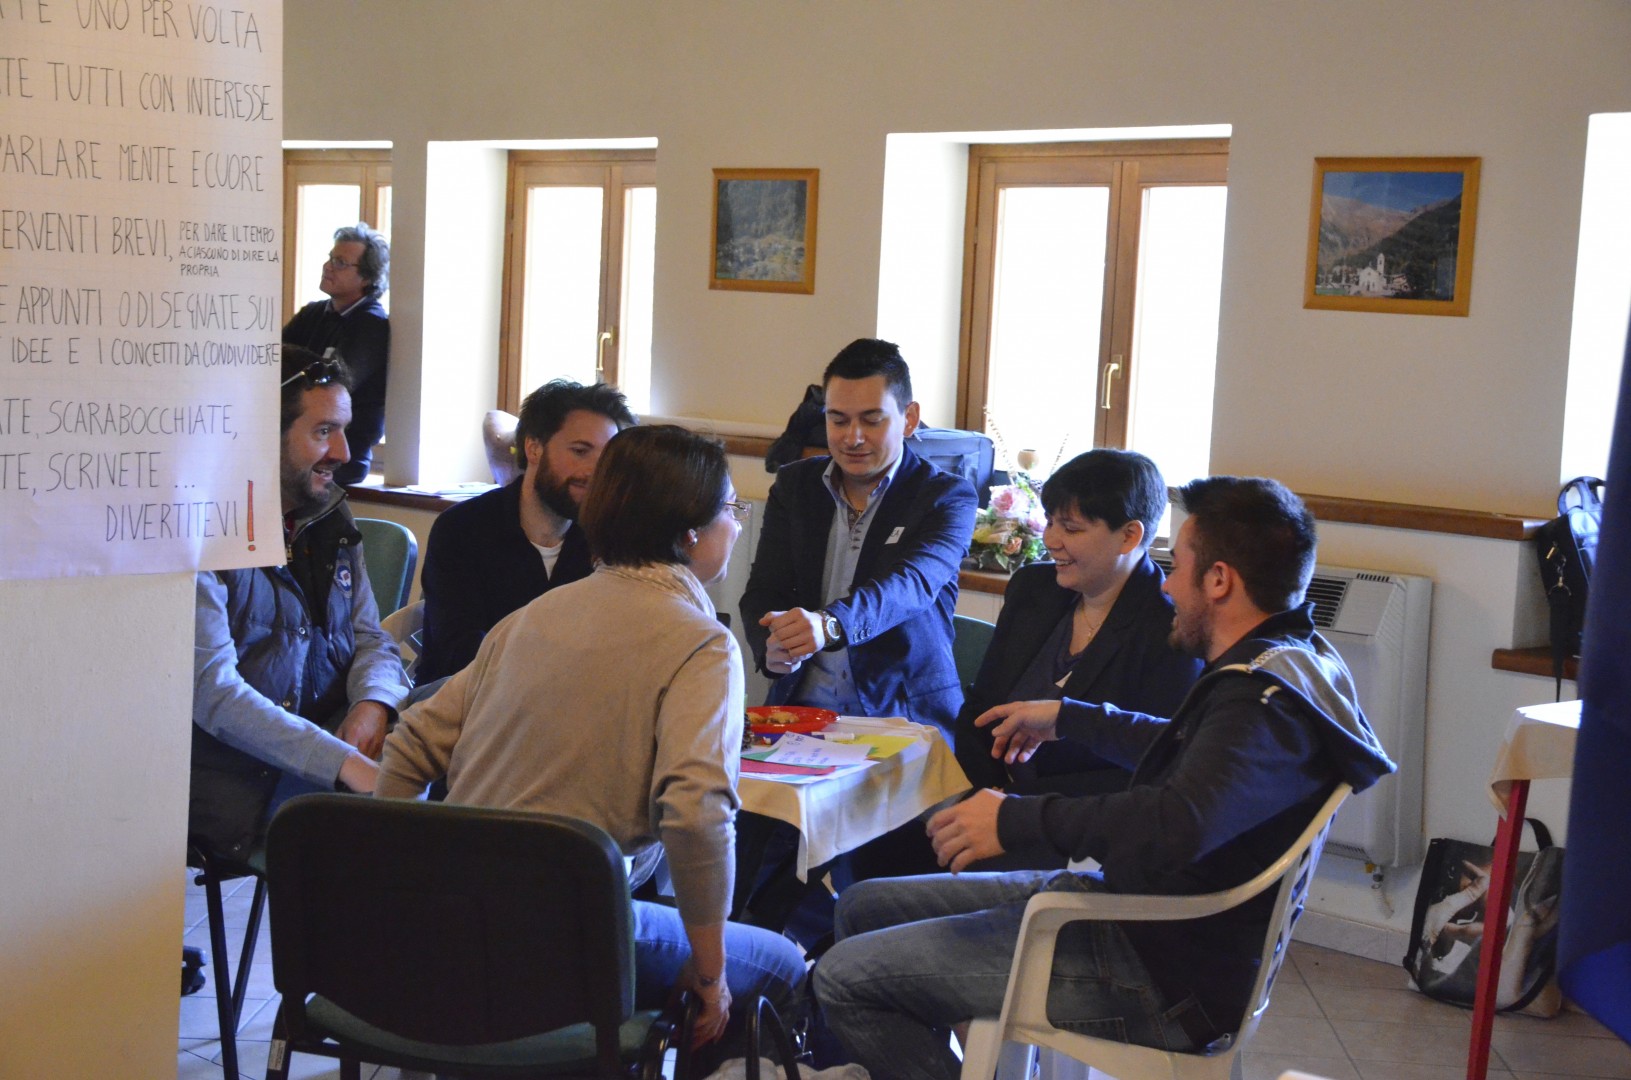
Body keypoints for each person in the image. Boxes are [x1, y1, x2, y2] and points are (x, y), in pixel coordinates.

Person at [813, 476, 1396, 1080]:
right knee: (861, 907)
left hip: (1158, 972)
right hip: (1141, 919)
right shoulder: (1285, 660)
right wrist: (1070, 717)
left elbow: (1177, 822)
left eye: (1179, 566)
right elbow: (1189, 749)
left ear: (1219, 580)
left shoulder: (1261, 704)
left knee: (843, 980)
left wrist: (1015, 820)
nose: (1166, 584)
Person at [375, 425, 807, 1062]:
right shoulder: (702, 644)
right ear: (690, 532)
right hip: (569, 935)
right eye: (730, 510)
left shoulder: (529, 618)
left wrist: (405, 890)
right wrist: (710, 973)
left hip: (457, 923)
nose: (737, 525)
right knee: (784, 967)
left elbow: (411, 740)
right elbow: (696, 814)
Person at [188, 347, 412, 864]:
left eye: (344, 430)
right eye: (323, 431)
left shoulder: (329, 516)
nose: (344, 451)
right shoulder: (203, 531)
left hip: (327, 738)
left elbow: (370, 638)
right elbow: (214, 693)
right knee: (398, 842)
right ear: (262, 433)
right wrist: (342, 763)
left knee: (468, 724)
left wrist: (373, 703)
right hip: (245, 777)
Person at [739, 338, 977, 744]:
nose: (852, 438)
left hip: (902, 717)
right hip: (801, 712)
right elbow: (764, 590)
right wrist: (771, 646)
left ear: (909, 418)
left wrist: (831, 625)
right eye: (838, 420)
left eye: (872, 420)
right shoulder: (796, 485)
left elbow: (911, 585)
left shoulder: (946, 496)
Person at [955, 449, 1202, 811]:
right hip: (986, 799)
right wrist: (982, 793)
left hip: (1081, 821)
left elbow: (1153, 767)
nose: (1051, 540)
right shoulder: (1033, 588)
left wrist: (1013, 806)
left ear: (1129, 536)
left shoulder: (1171, 628)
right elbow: (981, 708)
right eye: (1049, 522)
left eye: (1071, 528)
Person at [414, 379, 636, 683]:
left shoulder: (606, 537)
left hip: (564, 699)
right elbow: (459, 652)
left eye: (605, 458)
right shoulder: (462, 529)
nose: (594, 472)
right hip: (463, 699)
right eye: (580, 451)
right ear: (533, 448)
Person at [282, 223, 391, 485]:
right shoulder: (312, 313)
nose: (328, 267)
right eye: (331, 258)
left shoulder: (370, 325)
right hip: (299, 447)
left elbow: (332, 384)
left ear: (367, 278)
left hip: (340, 458)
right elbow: (272, 363)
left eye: (340, 263)